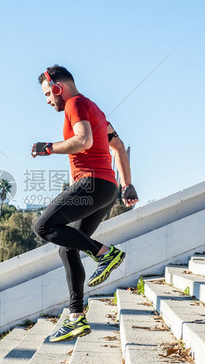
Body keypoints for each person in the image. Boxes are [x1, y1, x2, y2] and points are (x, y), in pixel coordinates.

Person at [31, 65, 139, 342]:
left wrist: (49, 148)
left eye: (47, 94)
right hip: (106, 188)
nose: (47, 101)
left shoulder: (75, 103)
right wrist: (126, 184)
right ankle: (76, 317)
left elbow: (83, 140)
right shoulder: (96, 109)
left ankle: (104, 253)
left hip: (92, 183)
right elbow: (118, 145)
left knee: (43, 226)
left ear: (58, 87)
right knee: (67, 249)